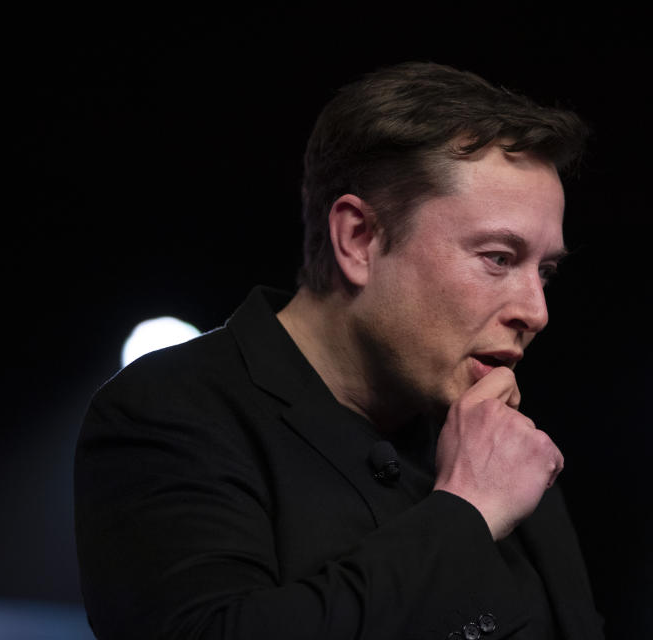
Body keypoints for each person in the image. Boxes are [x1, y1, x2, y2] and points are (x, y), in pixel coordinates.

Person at [75, 61, 605, 639]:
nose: (537, 311)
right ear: (358, 238)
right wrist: (467, 513)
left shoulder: (501, 446)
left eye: (545, 270)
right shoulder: (171, 409)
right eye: (499, 258)